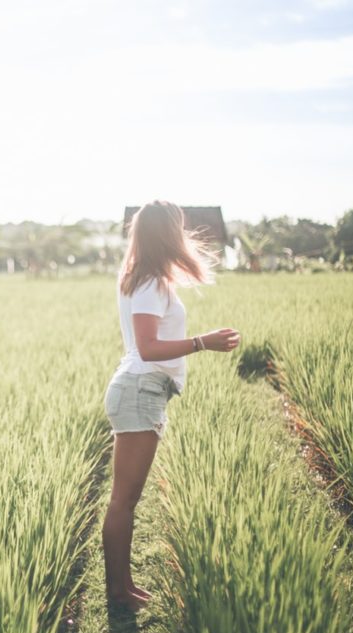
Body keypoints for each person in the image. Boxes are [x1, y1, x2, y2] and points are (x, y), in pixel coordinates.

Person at [102, 200, 240, 611]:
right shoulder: (149, 283)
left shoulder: (144, 277)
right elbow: (148, 348)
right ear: (167, 234)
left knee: (125, 498)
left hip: (142, 390)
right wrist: (203, 342)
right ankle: (118, 592)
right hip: (139, 389)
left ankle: (122, 586)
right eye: (178, 227)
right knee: (124, 499)